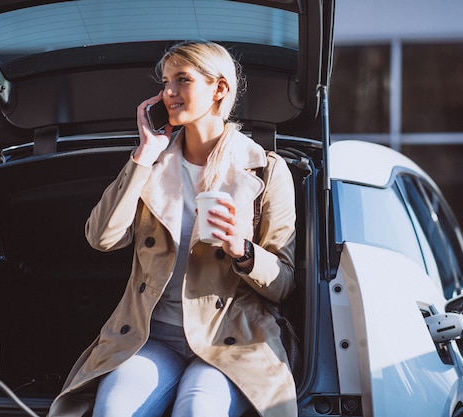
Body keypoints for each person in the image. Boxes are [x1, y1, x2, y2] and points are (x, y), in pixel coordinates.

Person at [47, 41, 297, 417]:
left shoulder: (265, 169)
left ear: (219, 89)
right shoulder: (152, 163)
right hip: (149, 336)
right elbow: (101, 238)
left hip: (229, 339)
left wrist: (241, 249)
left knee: (197, 409)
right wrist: (145, 153)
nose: (169, 92)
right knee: (113, 409)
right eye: (165, 82)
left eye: (183, 79)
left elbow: (283, 282)